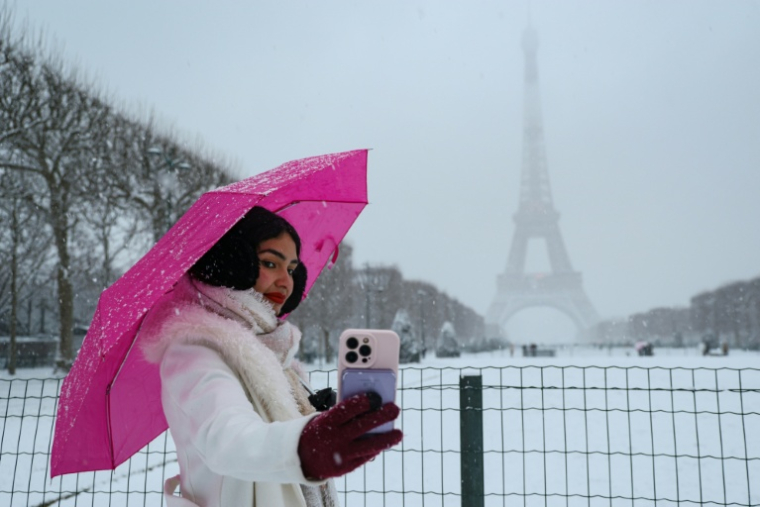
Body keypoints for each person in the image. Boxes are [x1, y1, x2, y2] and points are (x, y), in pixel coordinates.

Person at [139, 206, 403, 507]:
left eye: (291, 269)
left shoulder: (272, 352)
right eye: (270, 263)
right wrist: (304, 446)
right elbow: (227, 438)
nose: (285, 282)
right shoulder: (194, 348)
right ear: (232, 262)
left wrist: (313, 418)